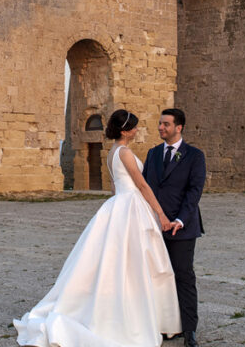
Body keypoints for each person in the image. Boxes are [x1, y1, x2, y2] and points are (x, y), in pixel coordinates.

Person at [14, 109, 182, 347]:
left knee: (120, 260)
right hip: (131, 204)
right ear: (126, 131)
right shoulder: (124, 152)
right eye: (134, 127)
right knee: (136, 262)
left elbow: (114, 186)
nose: (137, 130)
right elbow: (142, 185)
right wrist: (161, 214)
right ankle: (141, 317)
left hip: (119, 203)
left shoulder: (111, 152)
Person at [142, 108, 205, 347]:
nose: (160, 127)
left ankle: (190, 331)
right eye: (160, 123)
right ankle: (164, 326)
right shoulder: (153, 154)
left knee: (183, 277)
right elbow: (146, 188)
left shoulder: (194, 156)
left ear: (179, 127)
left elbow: (194, 191)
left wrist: (180, 220)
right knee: (156, 277)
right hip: (155, 227)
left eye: (166, 124)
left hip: (182, 228)